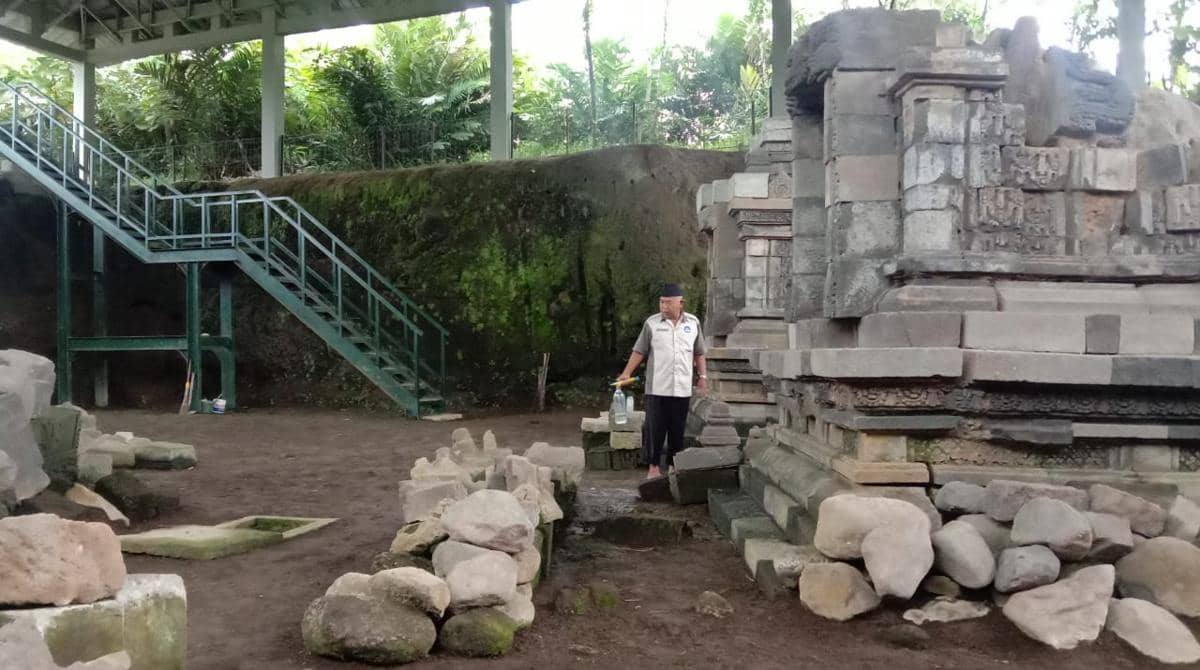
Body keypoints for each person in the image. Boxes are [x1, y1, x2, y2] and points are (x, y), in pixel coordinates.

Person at [617, 283, 707, 478]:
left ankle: (674, 466)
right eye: (661, 302)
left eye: (668, 303)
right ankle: (653, 467)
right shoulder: (652, 323)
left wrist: (703, 376)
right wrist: (626, 372)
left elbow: (699, 352)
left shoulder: (693, 323)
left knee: (677, 429)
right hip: (657, 388)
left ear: (680, 303)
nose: (664, 307)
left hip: (682, 388)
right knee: (655, 429)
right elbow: (639, 350)